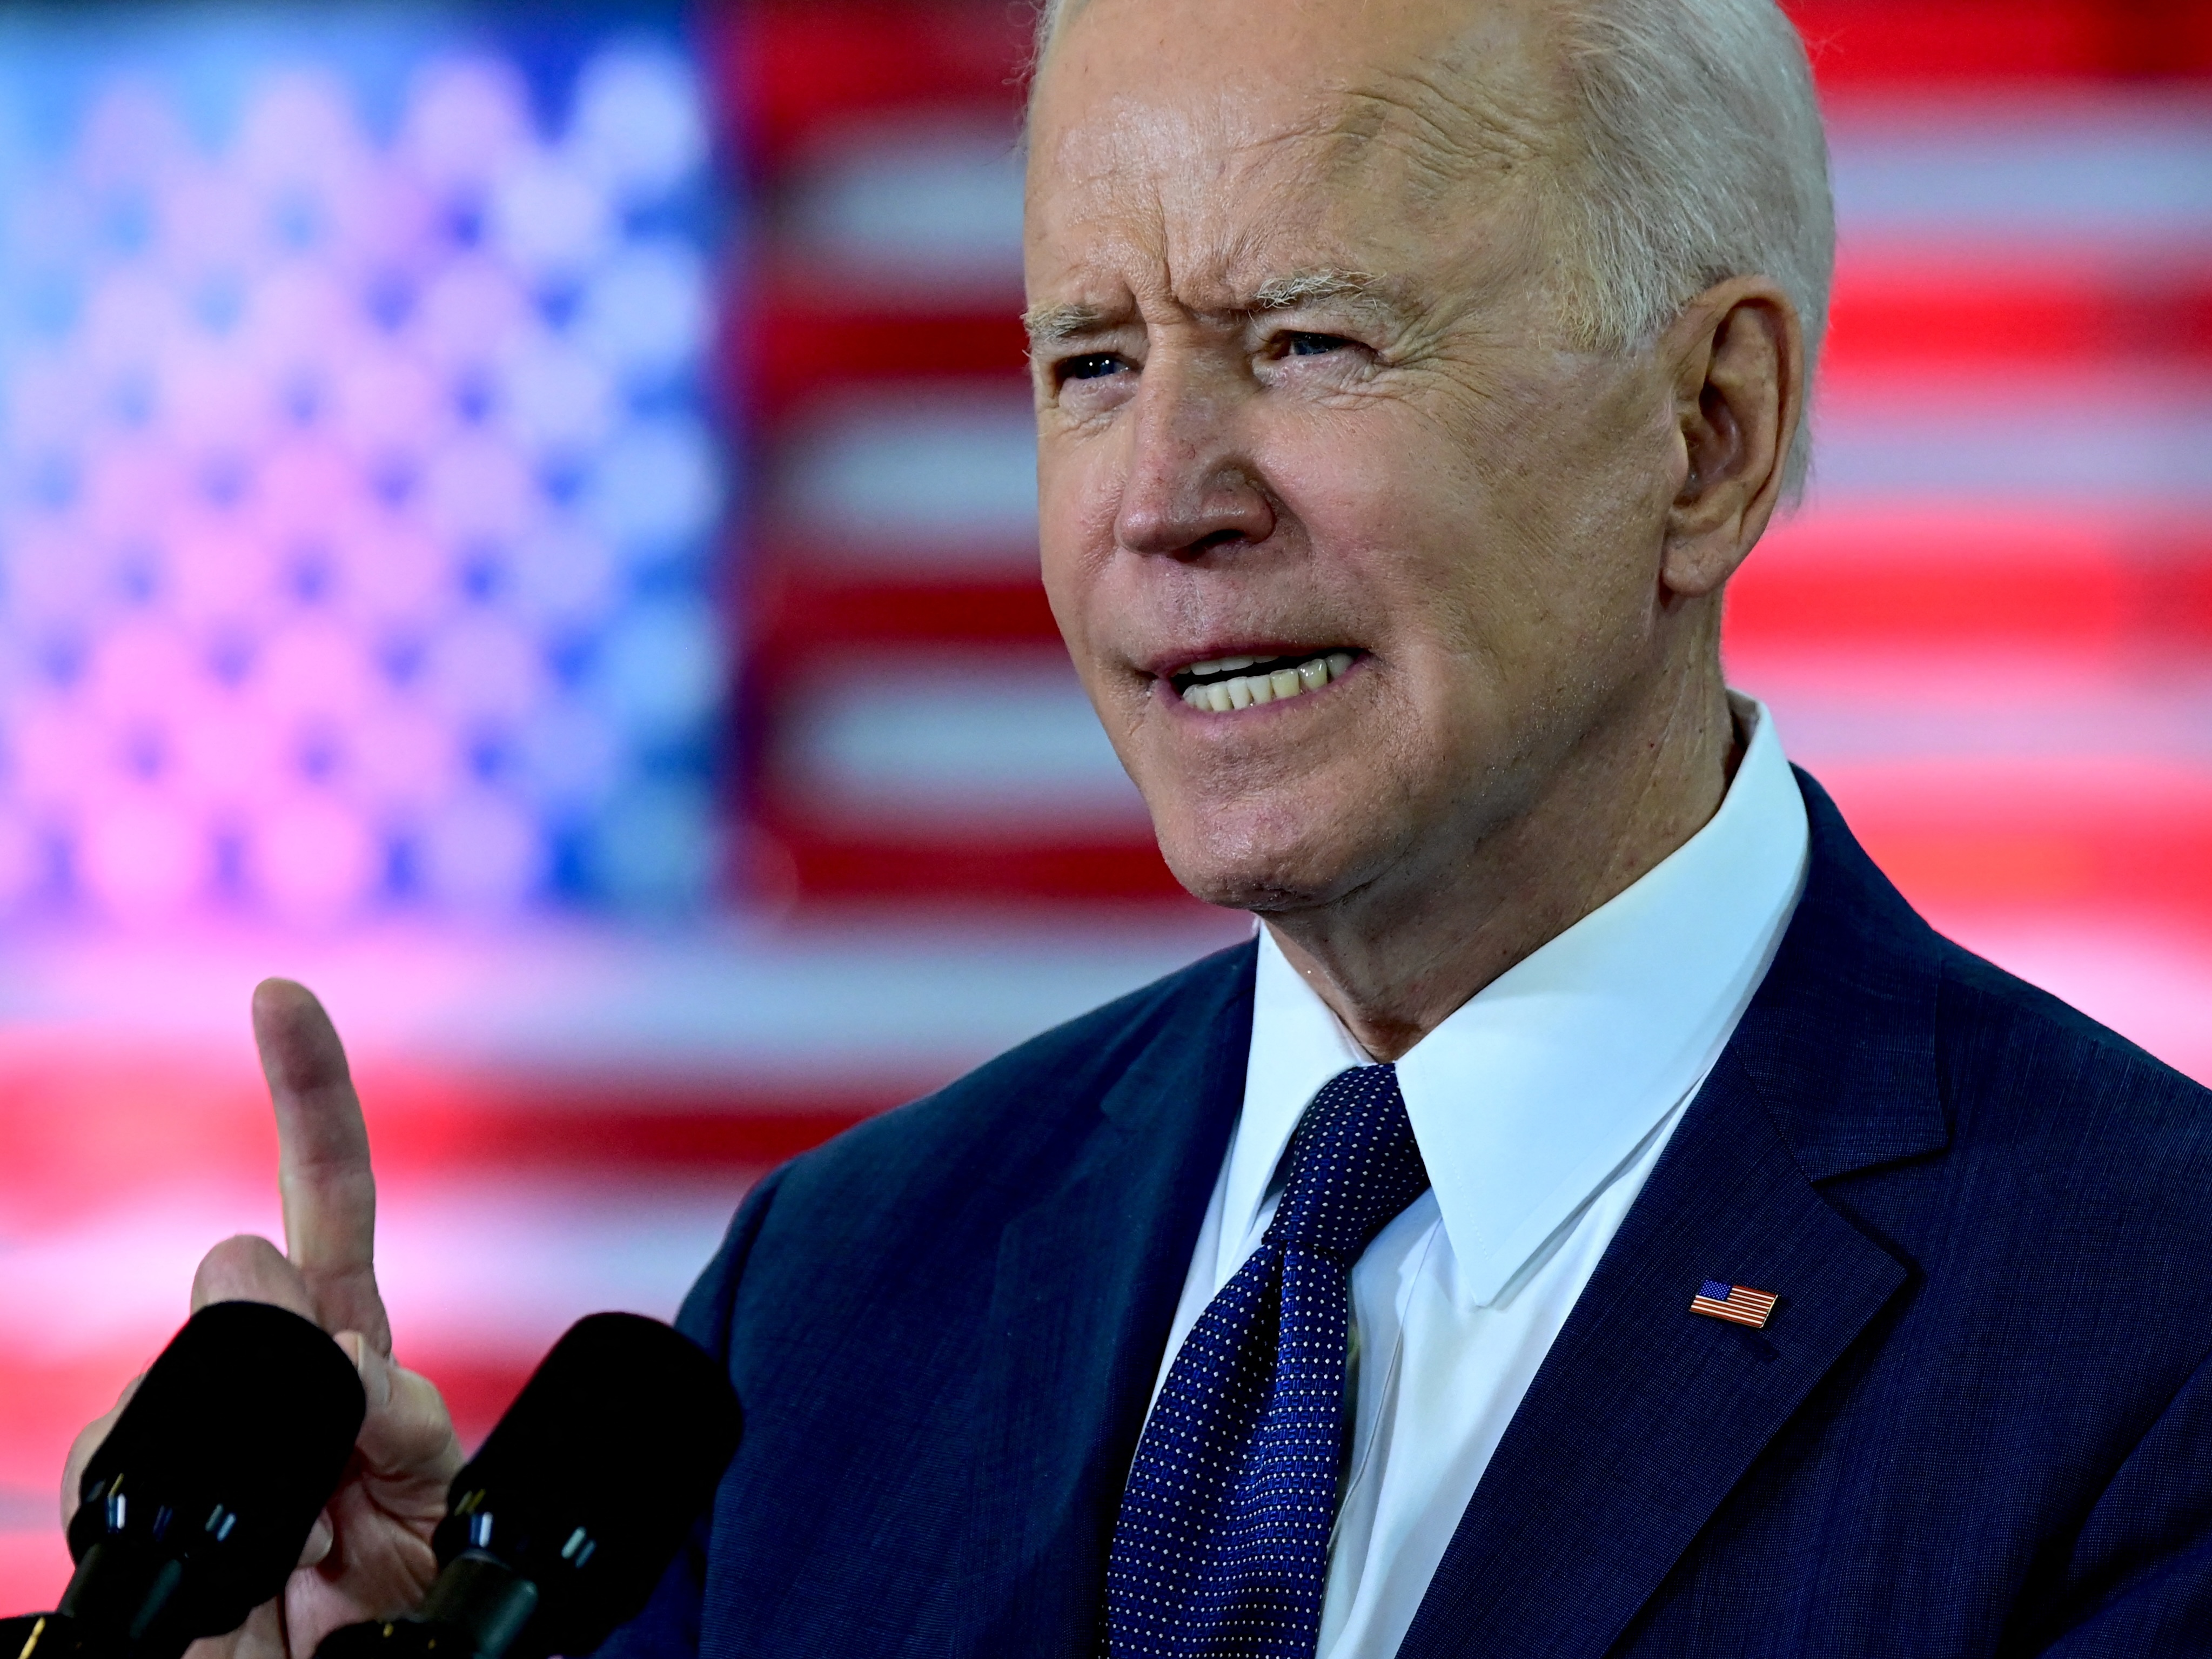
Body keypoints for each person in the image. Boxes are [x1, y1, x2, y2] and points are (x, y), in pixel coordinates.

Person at [67, 0, 2212, 1653]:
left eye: (1306, 341)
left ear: (1705, 434)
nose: (1162, 495)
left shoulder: (2147, 1330)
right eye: (1088, 364)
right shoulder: (823, 1304)